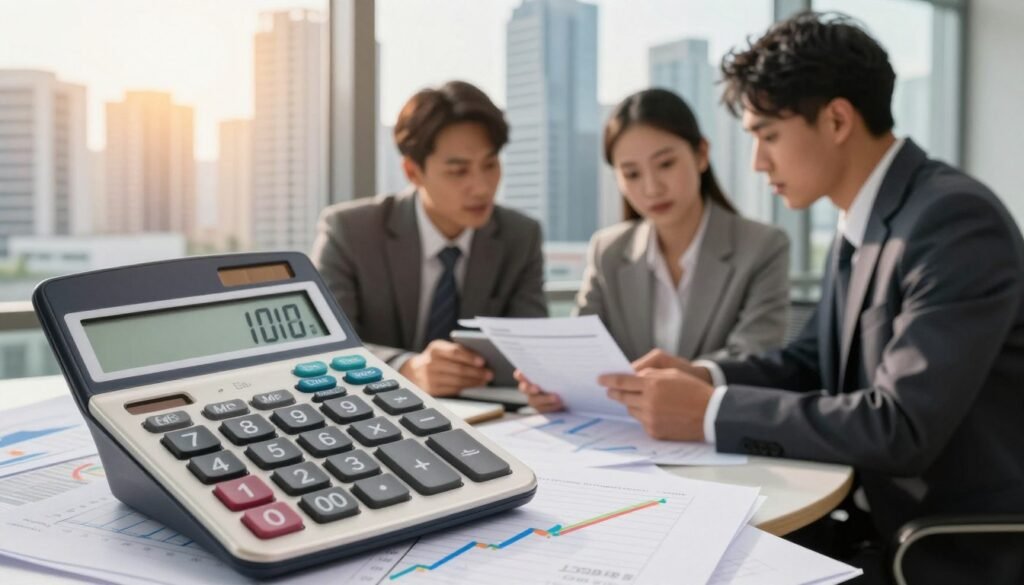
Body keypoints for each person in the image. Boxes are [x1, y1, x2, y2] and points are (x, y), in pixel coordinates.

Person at [596, 12, 1024, 584]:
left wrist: (708, 415)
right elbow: (810, 363)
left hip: (941, 547)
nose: (757, 162)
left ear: (838, 119)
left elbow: (899, 427)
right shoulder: (866, 220)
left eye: (768, 136)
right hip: (869, 522)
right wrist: (706, 377)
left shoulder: (953, 220)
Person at [519, 88, 790, 413]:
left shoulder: (762, 247)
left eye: (665, 164)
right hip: (620, 436)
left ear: (701, 154)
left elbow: (754, 359)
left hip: (713, 431)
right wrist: (552, 384)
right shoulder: (608, 251)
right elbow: (580, 353)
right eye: (631, 173)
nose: (651, 187)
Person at [311, 81, 547, 397]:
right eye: (458, 171)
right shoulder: (350, 232)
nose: (482, 186)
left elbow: (533, 351)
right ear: (413, 172)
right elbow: (322, 347)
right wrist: (407, 369)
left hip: (487, 416)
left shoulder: (520, 236)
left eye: (490, 165)